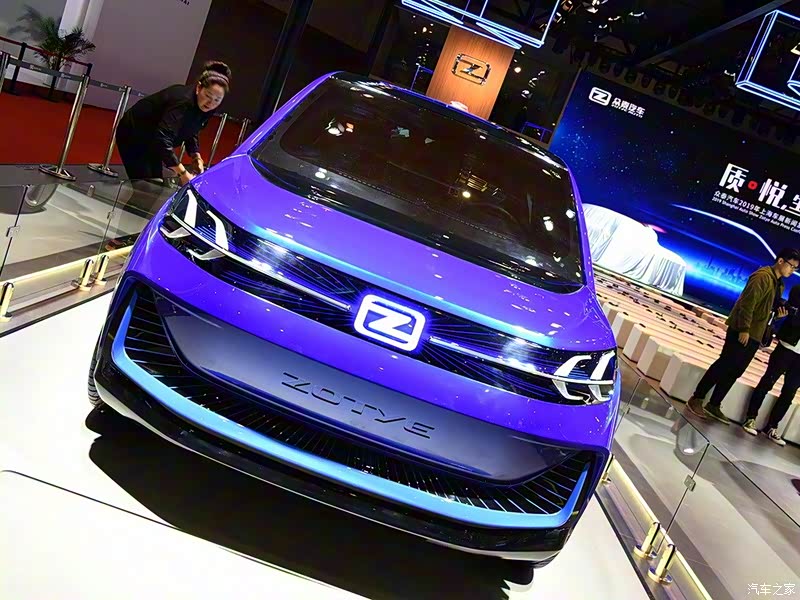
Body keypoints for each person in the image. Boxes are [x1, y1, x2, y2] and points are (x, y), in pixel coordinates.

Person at [687, 248, 800, 424]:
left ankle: (714, 404)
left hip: (755, 334)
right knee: (724, 365)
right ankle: (697, 398)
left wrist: (777, 316)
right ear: (780, 261)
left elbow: (764, 309)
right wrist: (744, 329)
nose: (792, 270)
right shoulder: (762, 277)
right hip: (743, 331)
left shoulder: (778, 284)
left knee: (735, 371)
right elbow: (747, 304)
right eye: (791, 266)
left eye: (794, 268)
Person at [115, 60, 231, 185]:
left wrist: (195, 155)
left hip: (153, 140)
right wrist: (183, 173)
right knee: (145, 184)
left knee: (155, 183)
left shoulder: (208, 108)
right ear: (198, 88)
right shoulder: (183, 101)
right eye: (208, 96)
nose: (211, 103)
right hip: (135, 133)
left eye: (217, 100)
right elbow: (163, 138)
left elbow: (192, 129)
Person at [741, 285, 800, 445]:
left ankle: (772, 426)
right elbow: (794, 317)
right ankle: (750, 418)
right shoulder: (798, 289)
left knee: (789, 392)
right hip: (786, 347)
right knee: (767, 382)